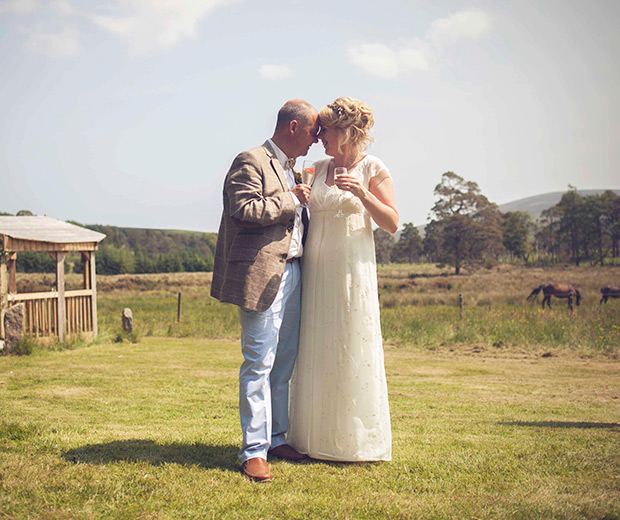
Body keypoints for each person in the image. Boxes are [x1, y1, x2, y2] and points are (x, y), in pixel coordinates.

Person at [211, 99, 320, 481]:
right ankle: (253, 451)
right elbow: (243, 210)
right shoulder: (251, 160)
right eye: (313, 132)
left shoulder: (292, 168)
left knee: (283, 362)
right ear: (293, 127)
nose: (317, 141)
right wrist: (291, 199)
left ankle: (276, 438)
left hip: (293, 274)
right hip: (261, 275)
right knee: (258, 363)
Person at [287, 96, 398, 461]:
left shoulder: (373, 167)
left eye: (326, 132)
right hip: (315, 273)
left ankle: (355, 441)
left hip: (352, 271)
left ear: (347, 133)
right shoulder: (316, 168)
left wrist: (362, 193)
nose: (319, 138)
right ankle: (311, 438)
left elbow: (392, 223)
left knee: (350, 345)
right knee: (316, 348)